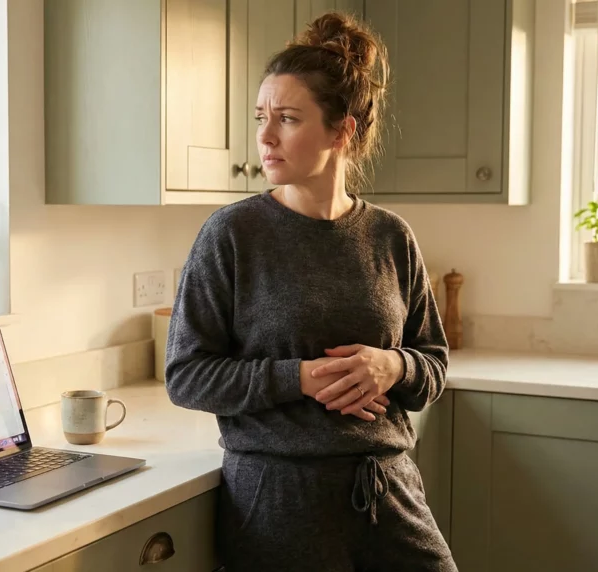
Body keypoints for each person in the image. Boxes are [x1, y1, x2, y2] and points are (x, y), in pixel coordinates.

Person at [164, 11, 457, 572]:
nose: (265, 136)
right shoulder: (230, 235)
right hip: (277, 501)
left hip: (389, 491)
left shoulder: (391, 235)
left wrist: (393, 368)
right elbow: (186, 375)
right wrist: (299, 377)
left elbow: (434, 362)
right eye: (261, 118)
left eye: (288, 119)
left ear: (342, 130)